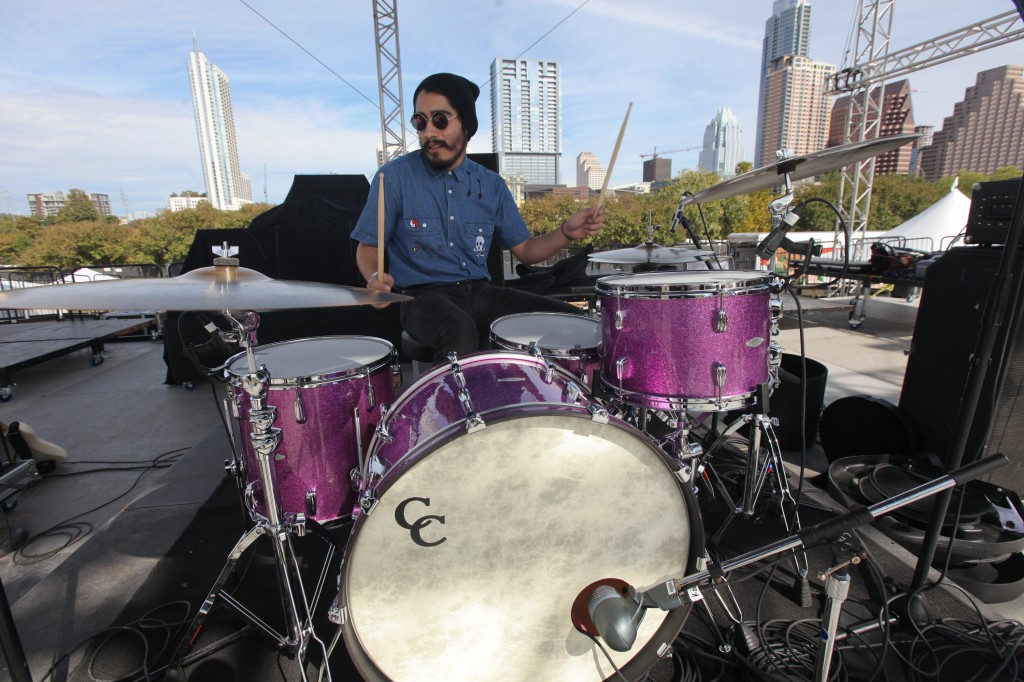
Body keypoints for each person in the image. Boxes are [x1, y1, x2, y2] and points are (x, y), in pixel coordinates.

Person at [352, 72, 605, 364]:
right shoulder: (392, 178)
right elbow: (367, 247)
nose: (429, 132)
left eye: (440, 119)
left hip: (480, 293)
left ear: (466, 125)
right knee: (458, 328)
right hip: (421, 298)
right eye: (420, 122)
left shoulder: (492, 184)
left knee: (575, 321)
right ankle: (452, 410)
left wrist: (566, 233)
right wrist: (373, 277)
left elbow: (527, 252)